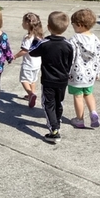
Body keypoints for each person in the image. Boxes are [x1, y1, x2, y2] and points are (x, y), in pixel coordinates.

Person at [29, 11, 73, 143]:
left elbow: (32, 52)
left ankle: (54, 130)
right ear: (66, 27)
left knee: (48, 103)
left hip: (48, 80)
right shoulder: (68, 45)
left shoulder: (45, 43)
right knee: (59, 102)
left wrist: (35, 40)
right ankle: (57, 120)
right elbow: (69, 62)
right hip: (62, 80)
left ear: (48, 27)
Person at [68, 9, 100, 129]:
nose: (73, 27)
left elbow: (70, 57)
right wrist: (97, 72)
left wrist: (66, 71)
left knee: (78, 96)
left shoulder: (74, 39)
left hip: (76, 73)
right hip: (90, 73)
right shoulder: (96, 39)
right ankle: (93, 112)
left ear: (80, 25)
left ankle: (79, 119)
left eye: (73, 24)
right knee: (89, 93)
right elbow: (98, 57)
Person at [14, 12, 43, 108]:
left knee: (24, 80)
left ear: (27, 23)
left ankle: (31, 94)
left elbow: (25, 50)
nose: (22, 23)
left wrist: (15, 56)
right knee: (33, 80)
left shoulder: (28, 37)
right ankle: (32, 94)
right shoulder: (39, 36)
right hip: (37, 63)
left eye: (23, 21)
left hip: (28, 64)